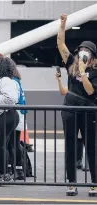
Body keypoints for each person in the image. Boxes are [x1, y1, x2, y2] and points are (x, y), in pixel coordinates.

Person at [56, 13, 97, 197]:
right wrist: (62, 25)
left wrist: (83, 72)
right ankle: (71, 183)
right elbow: (60, 44)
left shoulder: (95, 72)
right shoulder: (71, 64)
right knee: (70, 145)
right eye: (81, 50)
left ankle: (95, 183)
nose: (83, 54)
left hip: (89, 110)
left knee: (92, 146)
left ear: (93, 58)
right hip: (70, 108)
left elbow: (90, 91)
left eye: (87, 52)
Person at [0, 54, 24, 185]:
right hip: (1, 115)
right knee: (0, 145)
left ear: (1, 66)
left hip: (6, 115)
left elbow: (11, 99)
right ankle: (4, 173)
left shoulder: (6, 80)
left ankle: (3, 174)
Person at [55, 68, 89, 172]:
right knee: (76, 138)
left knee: (88, 139)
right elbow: (63, 91)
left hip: (85, 112)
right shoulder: (72, 84)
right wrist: (59, 80)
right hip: (73, 112)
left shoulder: (87, 81)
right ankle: (76, 161)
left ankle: (87, 163)